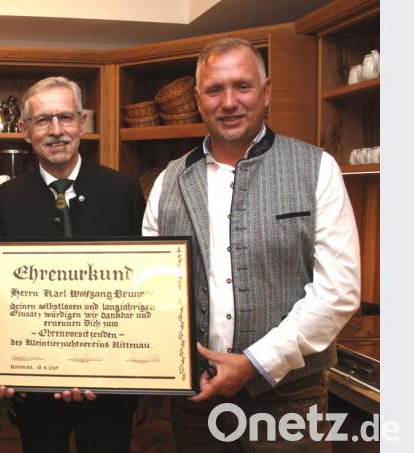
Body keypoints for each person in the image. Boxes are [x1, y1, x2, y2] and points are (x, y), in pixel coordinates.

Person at [142, 37, 361, 451]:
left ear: (267, 92)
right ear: (197, 98)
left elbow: (338, 291)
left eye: (242, 86)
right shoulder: (168, 180)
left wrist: (257, 362)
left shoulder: (315, 168)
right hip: (197, 402)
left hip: (289, 403)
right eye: (214, 89)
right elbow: (153, 291)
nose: (229, 102)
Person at [0, 76, 145, 453]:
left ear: (82, 122)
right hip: (35, 388)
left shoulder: (123, 191)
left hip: (111, 382)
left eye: (66, 118)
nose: (56, 131)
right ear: (25, 131)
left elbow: (140, 288)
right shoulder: (0, 202)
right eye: (43, 121)